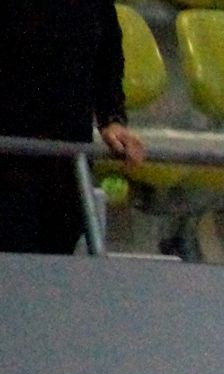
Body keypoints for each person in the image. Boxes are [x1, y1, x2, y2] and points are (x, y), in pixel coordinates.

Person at [0, 0, 146, 254]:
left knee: (55, 248)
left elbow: (107, 50)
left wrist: (112, 118)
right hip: (10, 152)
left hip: (66, 156)